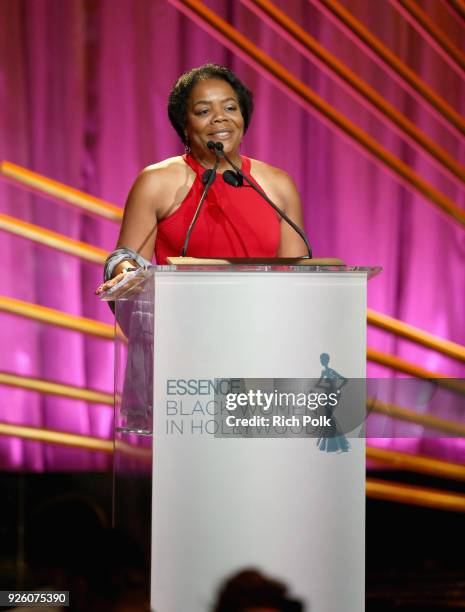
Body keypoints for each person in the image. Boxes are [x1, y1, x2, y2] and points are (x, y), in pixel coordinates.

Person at [96, 63, 308, 295]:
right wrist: (127, 273)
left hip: (264, 325)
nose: (220, 118)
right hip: (183, 324)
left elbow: (297, 281)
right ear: (185, 125)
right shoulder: (156, 182)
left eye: (230, 107)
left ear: (243, 116)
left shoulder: (278, 185)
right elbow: (126, 258)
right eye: (203, 111)